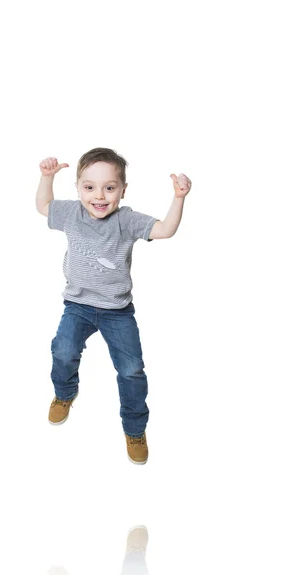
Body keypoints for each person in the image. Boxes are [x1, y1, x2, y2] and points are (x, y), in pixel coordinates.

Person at [35, 147, 191, 464]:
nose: (99, 196)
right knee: (62, 350)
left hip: (117, 311)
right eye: (89, 187)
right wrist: (46, 177)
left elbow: (164, 230)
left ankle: (134, 429)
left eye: (109, 187)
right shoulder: (70, 213)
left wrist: (178, 198)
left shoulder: (126, 220)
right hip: (77, 305)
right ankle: (64, 394)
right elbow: (43, 206)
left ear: (122, 190)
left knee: (131, 370)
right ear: (78, 187)